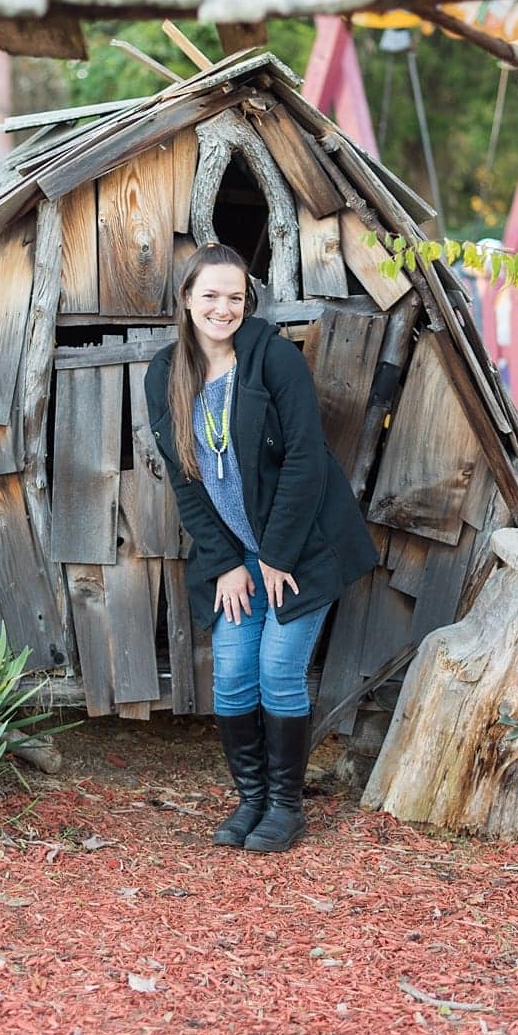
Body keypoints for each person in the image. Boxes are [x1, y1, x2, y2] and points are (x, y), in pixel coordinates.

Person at [144, 242, 379, 854]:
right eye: (210, 295)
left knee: (279, 669)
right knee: (231, 673)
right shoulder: (165, 373)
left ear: (248, 301)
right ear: (186, 299)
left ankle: (285, 806)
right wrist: (225, 563)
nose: (223, 307)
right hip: (237, 559)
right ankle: (251, 800)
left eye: (235, 296)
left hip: (300, 549)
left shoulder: (273, 359)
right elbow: (184, 477)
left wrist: (274, 555)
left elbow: (306, 461)